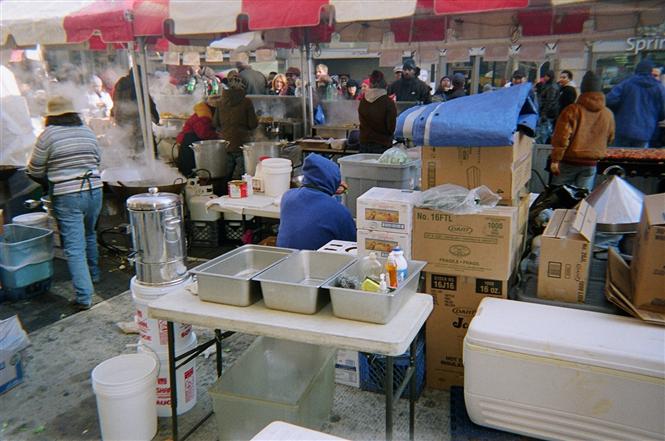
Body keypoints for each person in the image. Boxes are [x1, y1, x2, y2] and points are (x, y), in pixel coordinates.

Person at [27, 96, 103, 310]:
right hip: (95, 190)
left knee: (74, 247)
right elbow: (98, 160)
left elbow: (34, 169)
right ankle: (94, 275)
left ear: (50, 116)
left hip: (67, 196)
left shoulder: (48, 136)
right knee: (90, 234)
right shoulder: (86, 131)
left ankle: (84, 296)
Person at [550, 72, 615, 191]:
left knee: (556, 197)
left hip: (569, 161)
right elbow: (610, 138)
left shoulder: (572, 110)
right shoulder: (608, 114)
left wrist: (555, 160)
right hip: (591, 163)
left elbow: (561, 138)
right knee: (581, 200)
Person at [277, 154, 356, 250]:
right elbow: (352, 245)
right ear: (333, 180)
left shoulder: (287, 196)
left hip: (284, 259)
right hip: (315, 261)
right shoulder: (339, 211)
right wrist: (330, 189)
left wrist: (328, 190)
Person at [606, 59, 665, 147]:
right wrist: (654, 118)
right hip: (646, 132)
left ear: (637, 70)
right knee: (638, 157)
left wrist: (618, 111)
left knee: (617, 156)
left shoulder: (626, 83)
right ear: (650, 71)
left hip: (623, 129)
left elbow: (609, 100)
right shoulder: (659, 88)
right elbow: (663, 111)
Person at [213, 76, 258, 180]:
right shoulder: (246, 102)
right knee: (239, 179)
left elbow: (215, 123)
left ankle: (223, 195)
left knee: (225, 177)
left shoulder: (220, 102)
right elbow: (253, 124)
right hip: (242, 144)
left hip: (226, 144)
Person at [111, 67, 159, 155]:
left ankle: (131, 166)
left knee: (128, 149)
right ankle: (149, 166)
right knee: (147, 148)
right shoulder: (138, 85)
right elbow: (149, 104)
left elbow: (115, 103)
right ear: (140, 75)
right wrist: (156, 118)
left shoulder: (119, 85)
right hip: (138, 123)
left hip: (122, 123)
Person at [175, 95, 220, 176]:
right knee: (189, 171)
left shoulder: (203, 112)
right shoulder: (203, 117)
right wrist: (218, 136)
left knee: (189, 171)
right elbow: (203, 134)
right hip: (188, 144)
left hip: (189, 143)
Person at [358, 70, 397, 154]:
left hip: (364, 143)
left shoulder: (363, 101)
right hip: (382, 144)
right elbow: (391, 127)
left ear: (370, 84)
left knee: (365, 167)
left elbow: (361, 121)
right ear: (385, 85)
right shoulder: (388, 102)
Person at [535, 70, 560, 143]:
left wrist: (544, 114)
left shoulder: (552, 87)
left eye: (547, 76)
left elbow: (550, 101)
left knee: (544, 132)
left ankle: (542, 147)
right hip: (545, 112)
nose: (545, 78)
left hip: (548, 113)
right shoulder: (547, 85)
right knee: (543, 131)